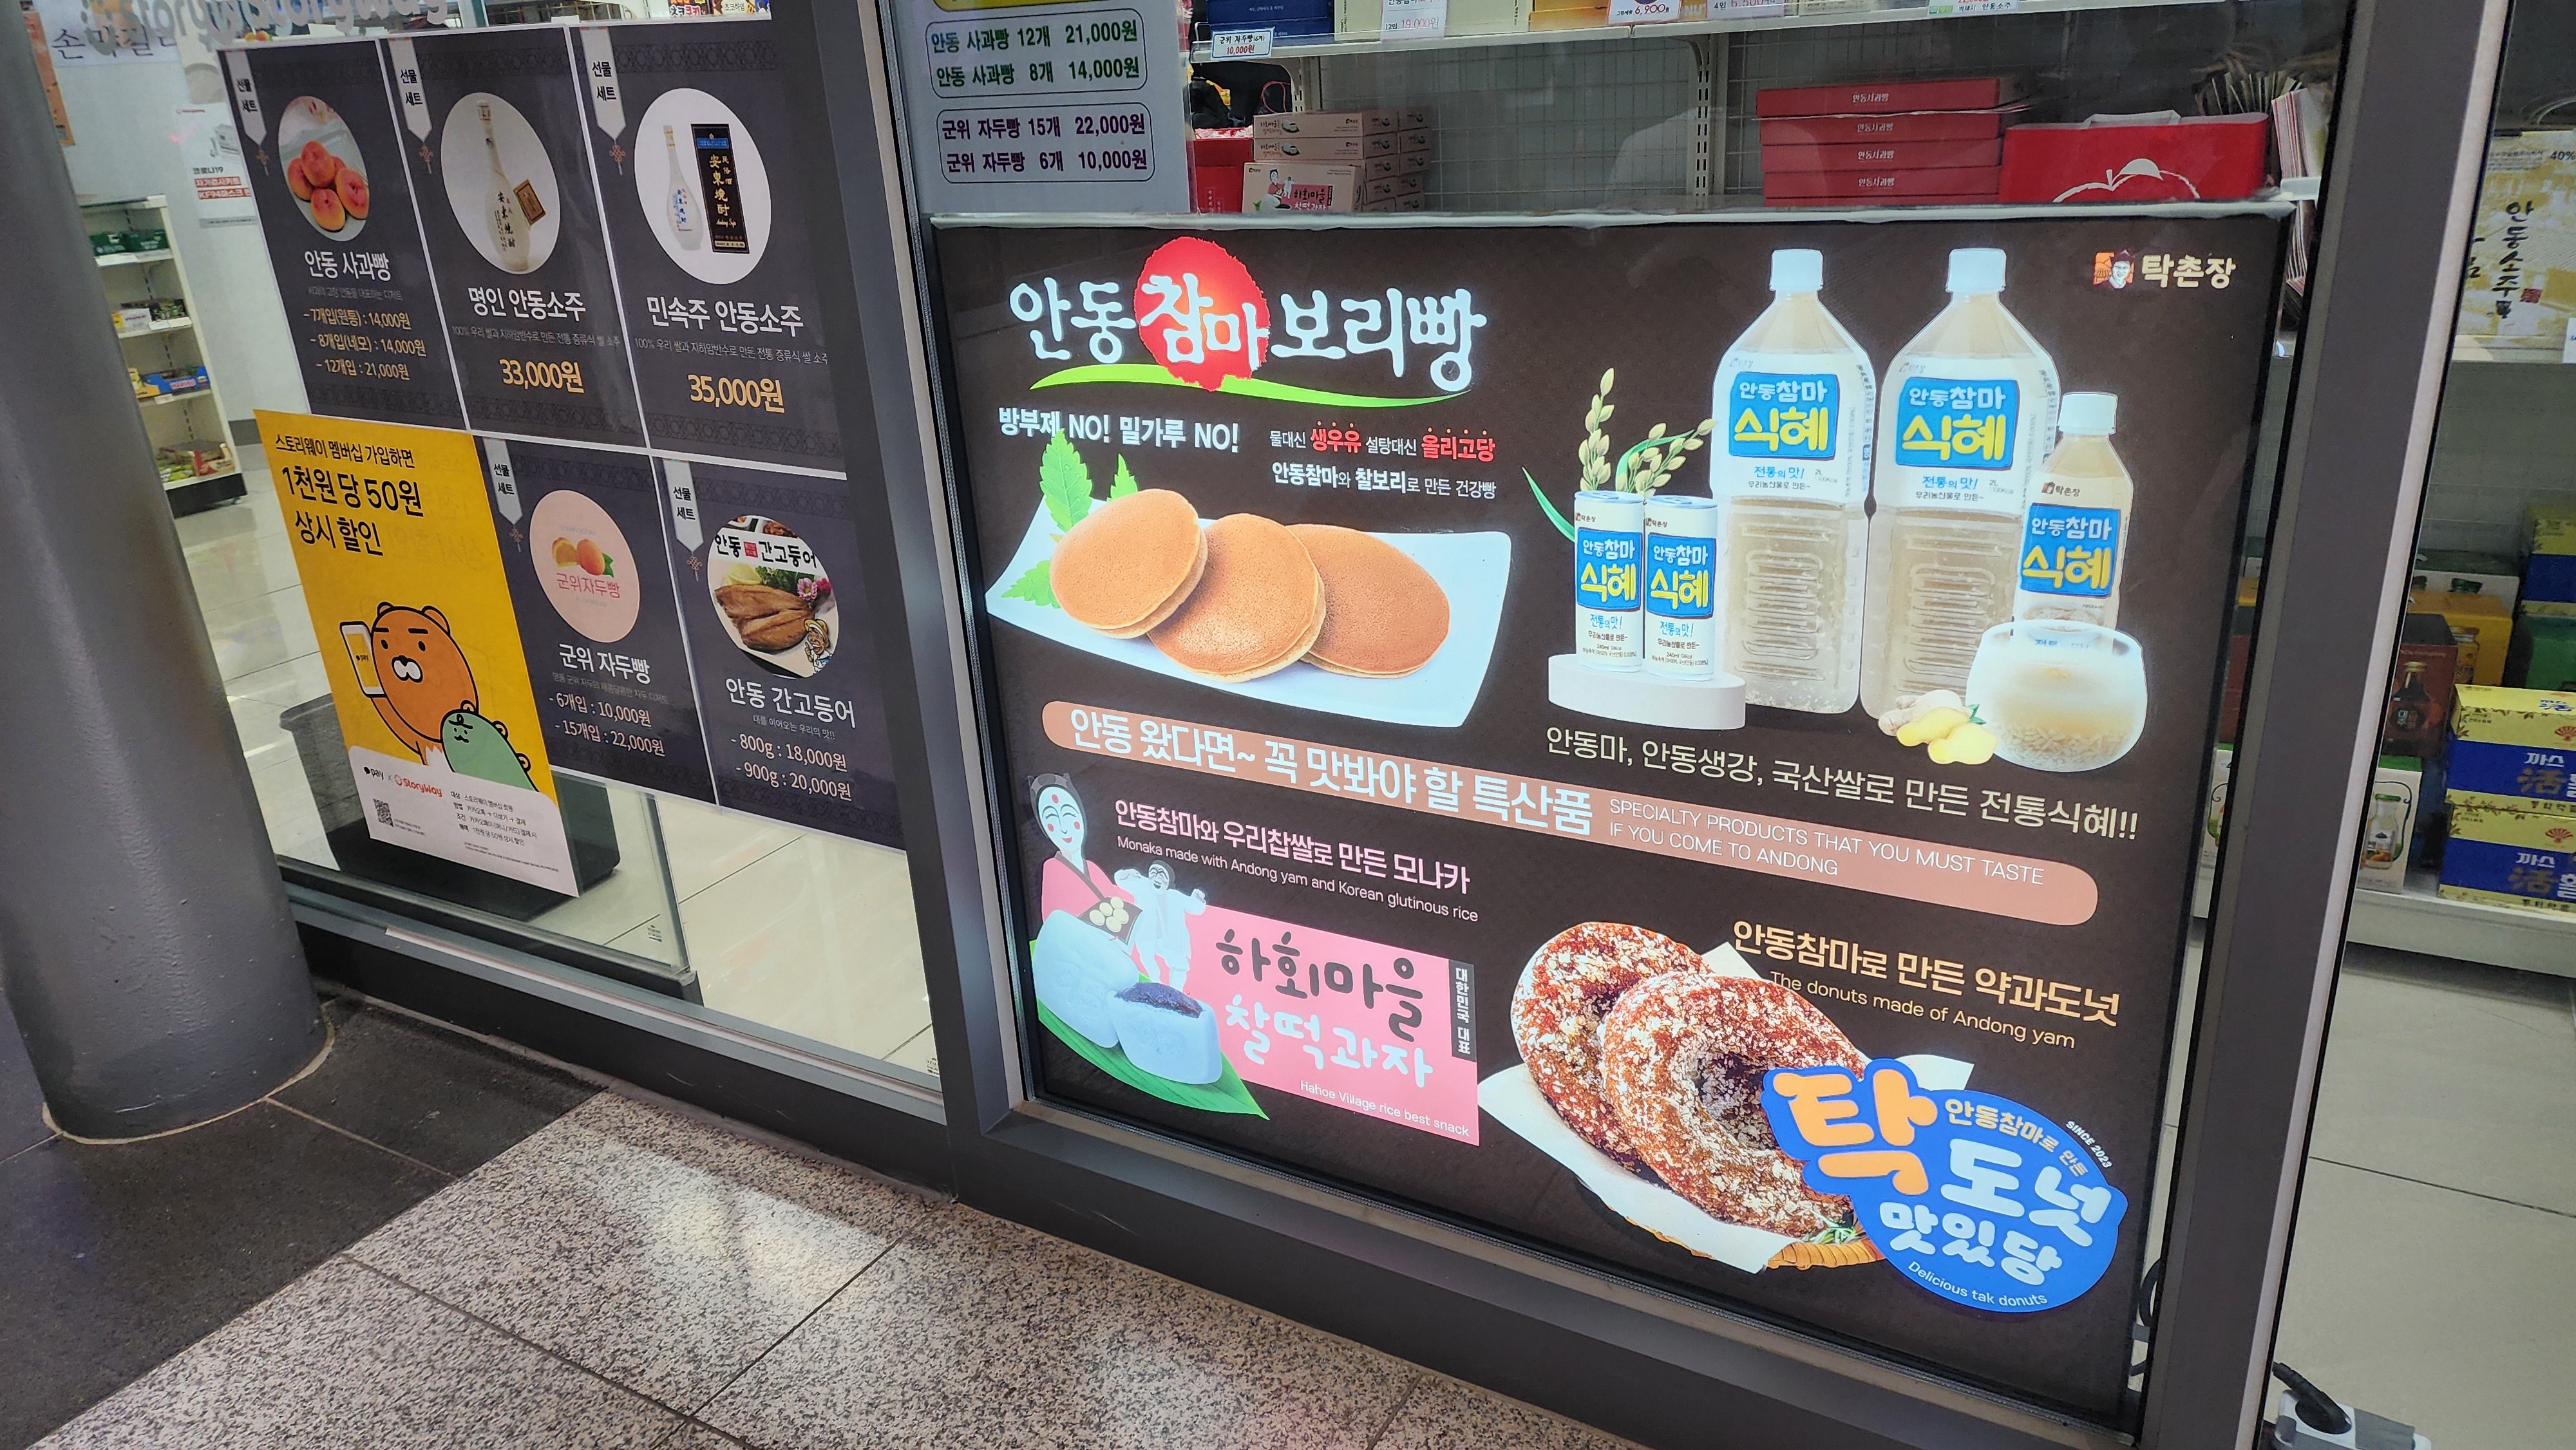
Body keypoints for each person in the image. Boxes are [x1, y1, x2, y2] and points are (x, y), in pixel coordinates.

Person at [1030, 775, 1133, 939]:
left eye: (1069, 815)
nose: (1064, 828)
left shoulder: (1092, 867)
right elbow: (1055, 925)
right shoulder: (1052, 870)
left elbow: (1119, 899)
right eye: (1051, 819)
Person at [1112, 862, 1208, 992]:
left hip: (1170, 938)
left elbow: (1196, 908)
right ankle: (1155, 982)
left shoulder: (1175, 896)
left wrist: (1198, 899)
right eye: (1154, 873)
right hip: (1146, 934)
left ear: (1169, 882)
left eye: (1162, 875)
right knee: (1146, 958)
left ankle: (1176, 991)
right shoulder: (1143, 885)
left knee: (1179, 965)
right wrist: (1127, 873)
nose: (1157, 878)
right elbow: (1120, 880)